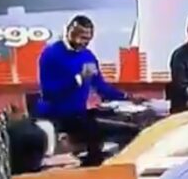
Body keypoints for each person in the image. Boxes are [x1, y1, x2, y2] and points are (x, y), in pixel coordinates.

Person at [34, 15, 134, 167]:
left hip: (79, 113)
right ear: (69, 31)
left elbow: (101, 86)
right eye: (80, 37)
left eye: (87, 39)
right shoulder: (50, 54)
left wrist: (126, 97)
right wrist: (78, 79)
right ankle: (93, 168)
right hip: (57, 114)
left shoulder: (87, 56)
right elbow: (49, 93)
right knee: (94, 130)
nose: (84, 42)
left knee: (125, 126)